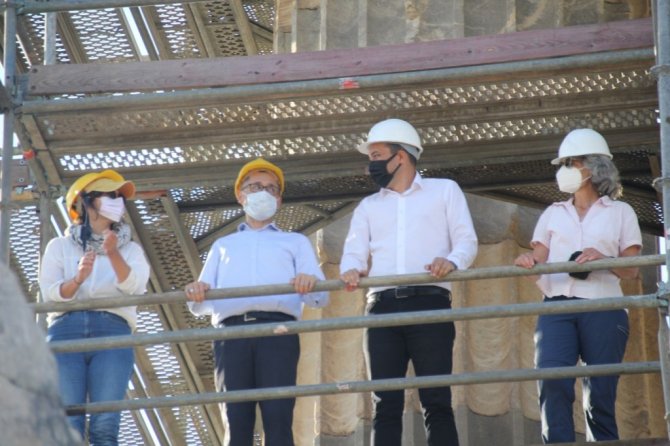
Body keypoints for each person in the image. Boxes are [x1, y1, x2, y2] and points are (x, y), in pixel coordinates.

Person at [340, 118, 478, 446]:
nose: (370, 166)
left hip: (430, 302)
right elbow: (352, 255)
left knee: (437, 400)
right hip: (381, 308)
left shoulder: (445, 190)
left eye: (376, 156)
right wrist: (351, 270)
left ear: (400, 156)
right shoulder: (367, 207)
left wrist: (452, 261)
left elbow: (466, 241)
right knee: (384, 404)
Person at [184, 158, 329, 446]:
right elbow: (200, 305)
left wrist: (309, 281)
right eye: (255, 187)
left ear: (279, 199)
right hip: (230, 335)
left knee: (278, 417)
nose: (263, 192)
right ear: (241, 196)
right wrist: (197, 290)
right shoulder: (223, 245)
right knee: (236, 420)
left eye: (271, 188)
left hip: (279, 332)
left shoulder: (295, 242)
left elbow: (320, 297)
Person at [514, 128, 641, 443]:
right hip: (557, 307)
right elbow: (538, 257)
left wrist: (603, 258)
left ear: (594, 166)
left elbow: (632, 270)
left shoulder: (621, 212)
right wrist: (528, 261)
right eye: (563, 163)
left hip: (604, 308)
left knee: (600, 395)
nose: (565, 169)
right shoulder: (553, 212)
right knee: (552, 383)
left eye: (572, 162)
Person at [39, 169, 150, 445]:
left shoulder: (131, 250)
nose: (117, 202)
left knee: (105, 426)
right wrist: (77, 279)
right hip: (65, 332)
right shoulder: (59, 246)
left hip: (113, 332)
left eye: (119, 197)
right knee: (69, 426)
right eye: (109, 195)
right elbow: (50, 294)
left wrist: (112, 253)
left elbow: (135, 288)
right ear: (85, 202)